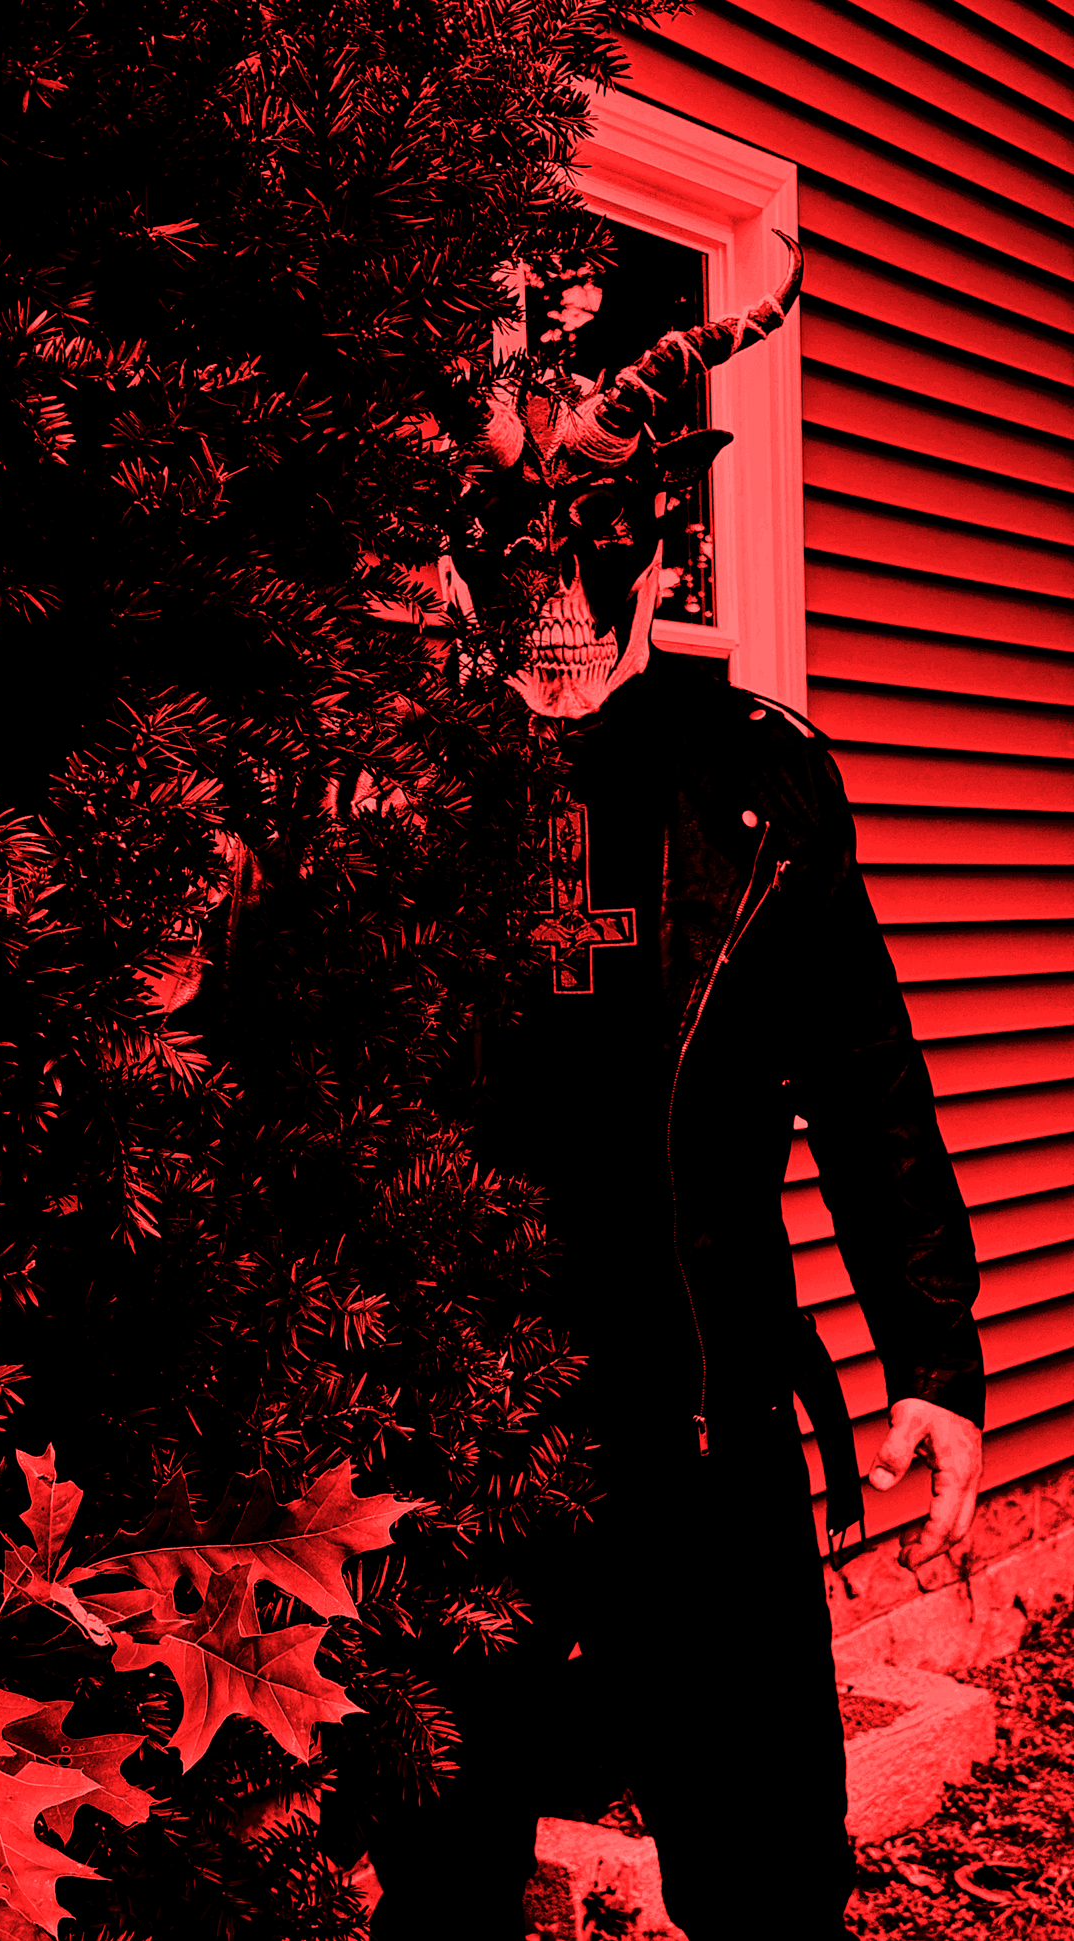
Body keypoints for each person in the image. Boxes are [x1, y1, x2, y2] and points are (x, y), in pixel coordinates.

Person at [354, 242, 985, 1940]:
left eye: (601, 545)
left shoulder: (758, 782)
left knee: (769, 1875)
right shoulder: (389, 794)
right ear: (453, 562)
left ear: (667, 545)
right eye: (513, 551)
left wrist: (933, 1360)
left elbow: (868, 1077)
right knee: (441, 1884)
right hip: (457, 1449)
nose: (557, 598)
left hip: (711, 1420)